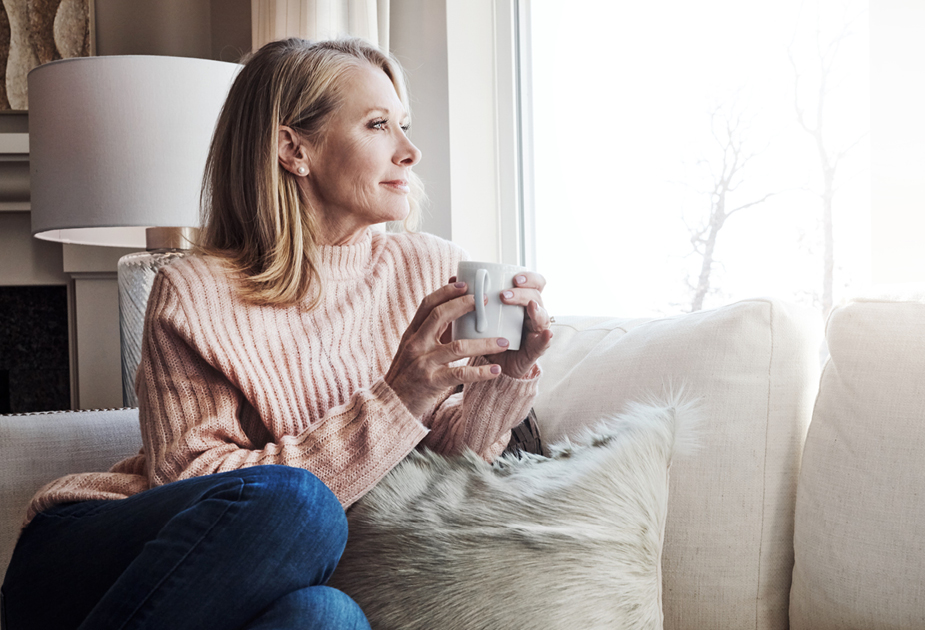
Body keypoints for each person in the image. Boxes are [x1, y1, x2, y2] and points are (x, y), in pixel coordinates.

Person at [0, 37, 553, 630]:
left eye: (404, 125)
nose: (410, 151)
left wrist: (509, 373)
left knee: (326, 615)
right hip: (99, 557)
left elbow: (432, 465)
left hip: (267, 578)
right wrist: (396, 401)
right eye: (377, 125)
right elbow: (193, 485)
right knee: (301, 505)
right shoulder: (195, 288)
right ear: (293, 148)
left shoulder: (428, 266)